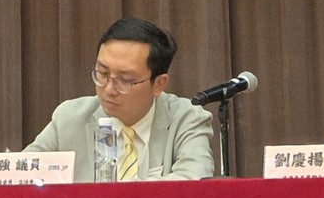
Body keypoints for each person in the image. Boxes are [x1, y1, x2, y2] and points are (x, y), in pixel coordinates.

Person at [23, 17, 216, 180]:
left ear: (158, 84)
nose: (109, 89)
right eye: (103, 73)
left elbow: (194, 179)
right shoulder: (70, 118)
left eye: (125, 80)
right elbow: (21, 175)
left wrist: (117, 197)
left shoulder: (186, 118)